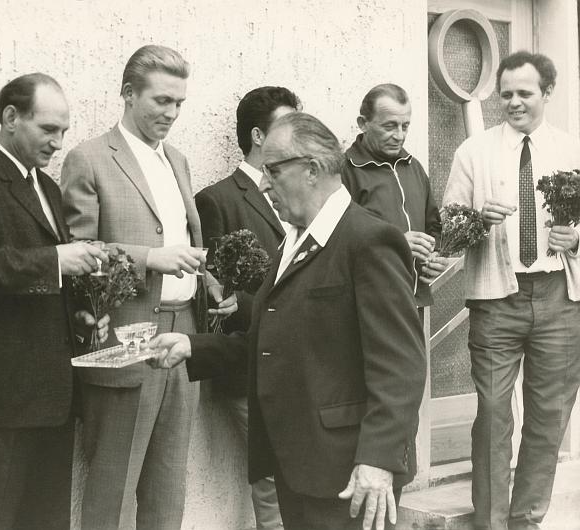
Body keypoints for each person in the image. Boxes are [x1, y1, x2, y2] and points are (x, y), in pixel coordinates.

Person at [150, 111, 426, 530]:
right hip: (298, 463)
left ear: (311, 170)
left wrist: (378, 460)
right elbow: (275, 340)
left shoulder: (369, 241)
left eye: (273, 171)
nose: (264, 184)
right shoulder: (295, 242)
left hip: (351, 473)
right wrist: (193, 346)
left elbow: (401, 364)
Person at [61, 44, 236, 529]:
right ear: (128, 93)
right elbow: (78, 253)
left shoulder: (177, 160)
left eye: (179, 103)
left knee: (168, 485)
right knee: (113, 487)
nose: (172, 113)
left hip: (183, 335)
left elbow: (181, 238)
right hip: (125, 337)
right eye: (161, 100)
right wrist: (148, 259)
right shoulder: (89, 159)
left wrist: (208, 283)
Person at [0, 73, 109, 530]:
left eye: (64, 131)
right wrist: (55, 260)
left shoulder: (47, 187)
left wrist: (81, 316)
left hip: (49, 397)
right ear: (11, 117)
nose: (58, 142)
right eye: (48, 129)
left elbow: (45, 281)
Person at [442, 51, 580, 530]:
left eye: (525, 93)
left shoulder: (571, 151)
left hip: (560, 297)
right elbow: (449, 231)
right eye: (506, 95)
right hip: (496, 299)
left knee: (549, 415)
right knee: (494, 413)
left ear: (547, 93)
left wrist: (576, 238)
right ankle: (492, 523)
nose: (515, 102)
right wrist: (478, 220)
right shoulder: (473, 152)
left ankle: (526, 520)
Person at [194, 85, 301, 530]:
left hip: (303, 361)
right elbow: (215, 298)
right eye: (286, 125)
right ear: (258, 136)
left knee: (301, 477)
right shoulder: (217, 200)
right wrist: (243, 306)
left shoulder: (299, 193)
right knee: (273, 482)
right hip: (249, 363)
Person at [342, 83, 447, 308]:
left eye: (405, 126)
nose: (399, 136)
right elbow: (335, 245)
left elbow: (433, 227)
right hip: (369, 306)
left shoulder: (414, 167)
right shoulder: (344, 171)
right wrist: (394, 243)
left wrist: (435, 256)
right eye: (389, 126)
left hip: (415, 302)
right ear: (363, 123)